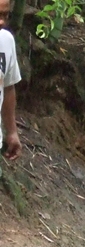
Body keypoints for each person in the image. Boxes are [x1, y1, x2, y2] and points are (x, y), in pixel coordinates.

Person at [0, 1, 21, 162]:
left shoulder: (6, 41)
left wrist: (12, 131)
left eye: (5, 15)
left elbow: (7, 87)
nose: (1, 21)